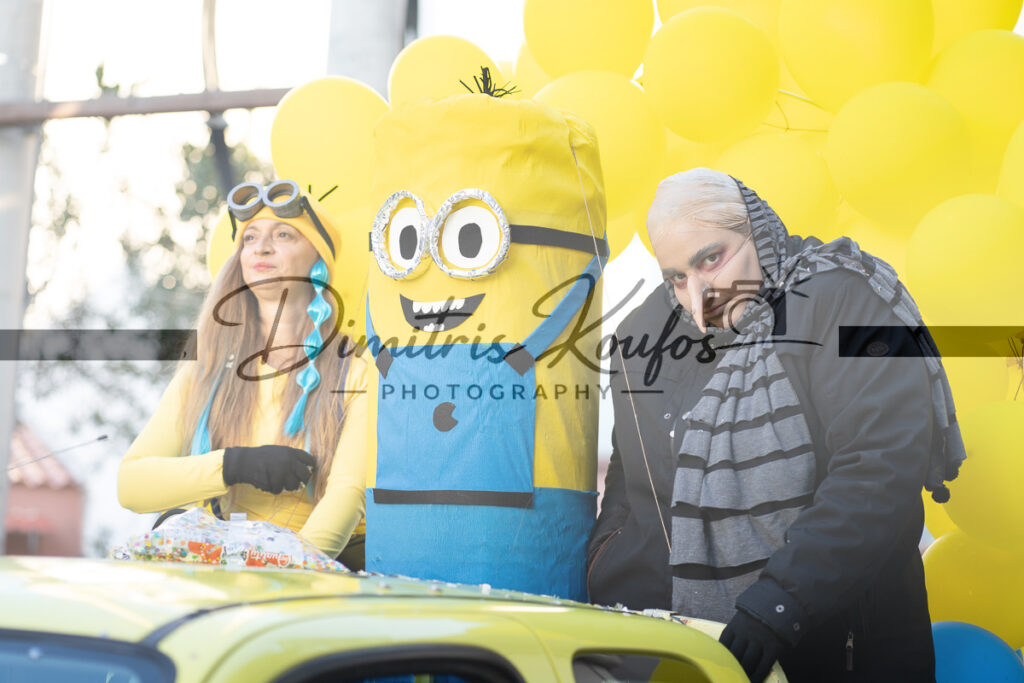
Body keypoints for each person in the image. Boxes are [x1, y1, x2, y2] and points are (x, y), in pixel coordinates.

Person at [587, 168, 964, 682]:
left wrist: (777, 605)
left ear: (756, 229)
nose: (699, 297)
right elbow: (631, 483)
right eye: (676, 276)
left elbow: (878, 469)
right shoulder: (646, 331)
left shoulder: (844, 299)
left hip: (838, 648)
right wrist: (611, 573)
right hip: (672, 649)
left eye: (711, 259)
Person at [118, 179, 368, 565]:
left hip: (302, 576)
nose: (261, 247)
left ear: (318, 260)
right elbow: (131, 485)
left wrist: (284, 572)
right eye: (250, 238)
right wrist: (232, 465)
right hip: (219, 573)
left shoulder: (356, 371)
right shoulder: (206, 371)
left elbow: (348, 495)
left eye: (283, 234)